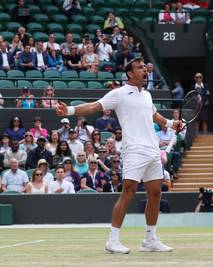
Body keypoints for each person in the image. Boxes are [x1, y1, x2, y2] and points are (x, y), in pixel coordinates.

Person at [55, 57, 181, 253]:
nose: (145, 70)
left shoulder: (147, 95)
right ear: (130, 74)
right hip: (134, 150)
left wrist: (173, 125)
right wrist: (70, 110)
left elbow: (155, 117)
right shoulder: (119, 94)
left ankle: (150, 239)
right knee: (128, 192)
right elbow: (94, 106)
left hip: (152, 150)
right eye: (140, 68)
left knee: (155, 193)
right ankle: (112, 241)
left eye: (145, 68)